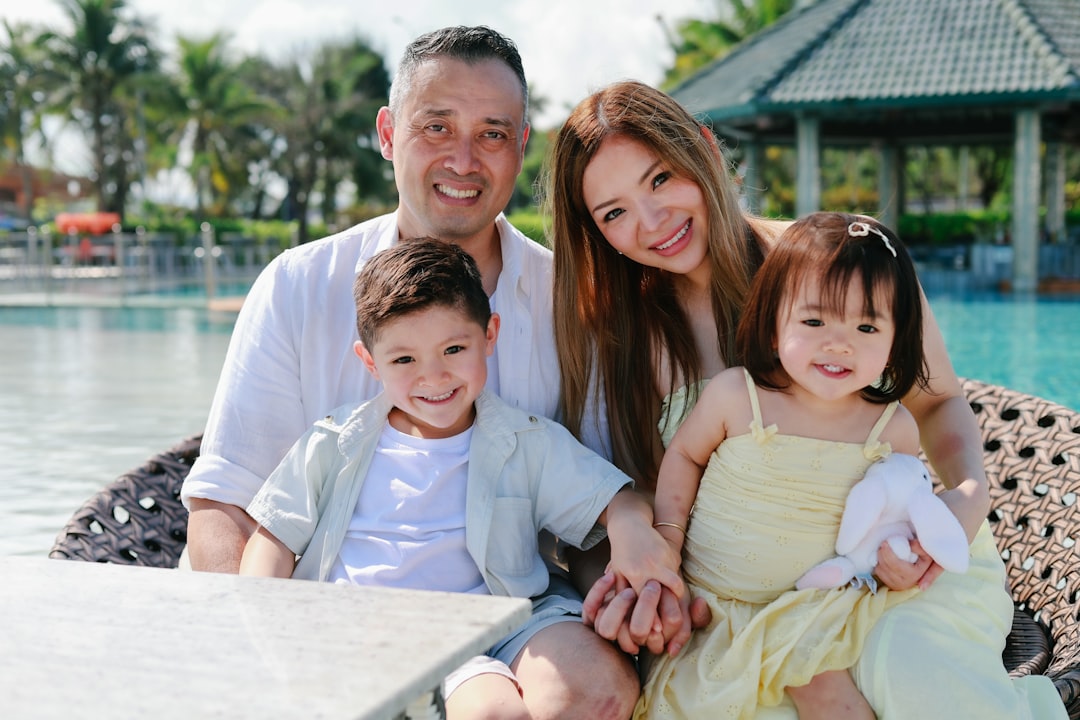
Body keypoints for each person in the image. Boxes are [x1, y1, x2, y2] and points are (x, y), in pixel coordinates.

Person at [546, 80, 1067, 718]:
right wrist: (650, 585)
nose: (651, 223)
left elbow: (936, 405)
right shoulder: (626, 336)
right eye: (614, 212)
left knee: (915, 673)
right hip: (747, 602)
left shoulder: (846, 263)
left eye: (660, 180)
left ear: (707, 150)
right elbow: (643, 498)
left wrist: (969, 497)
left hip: (894, 573)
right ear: (594, 232)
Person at [181, 26, 641, 720]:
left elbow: (597, 514)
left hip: (508, 607)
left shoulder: (571, 304)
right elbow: (224, 508)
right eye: (436, 126)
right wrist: (269, 646)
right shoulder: (300, 285)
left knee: (592, 690)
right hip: (327, 607)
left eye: (492, 133)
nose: (464, 158)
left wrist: (625, 595)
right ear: (389, 134)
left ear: (521, 147)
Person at [239, 238, 681, 718]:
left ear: (489, 335)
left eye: (453, 348)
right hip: (359, 627)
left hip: (481, 626)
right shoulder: (333, 443)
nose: (434, 377)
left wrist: (633, 530)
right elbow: (273, 540)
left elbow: (618, 498)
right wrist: (264, 629)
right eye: (404, 360)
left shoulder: (525, 441)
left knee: (506, 710)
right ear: (370, 362)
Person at [635, 212, 930, 717]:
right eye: (814, 322)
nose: (839, 343)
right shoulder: (737, 395)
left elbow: (900, 511)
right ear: (774, 325)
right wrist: (668, 536)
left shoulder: (891, 426)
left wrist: (898, 565)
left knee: (828, 691)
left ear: (896, 338)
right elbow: (684, 455)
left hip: (818, 605)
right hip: (714, 600)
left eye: (866, 326)